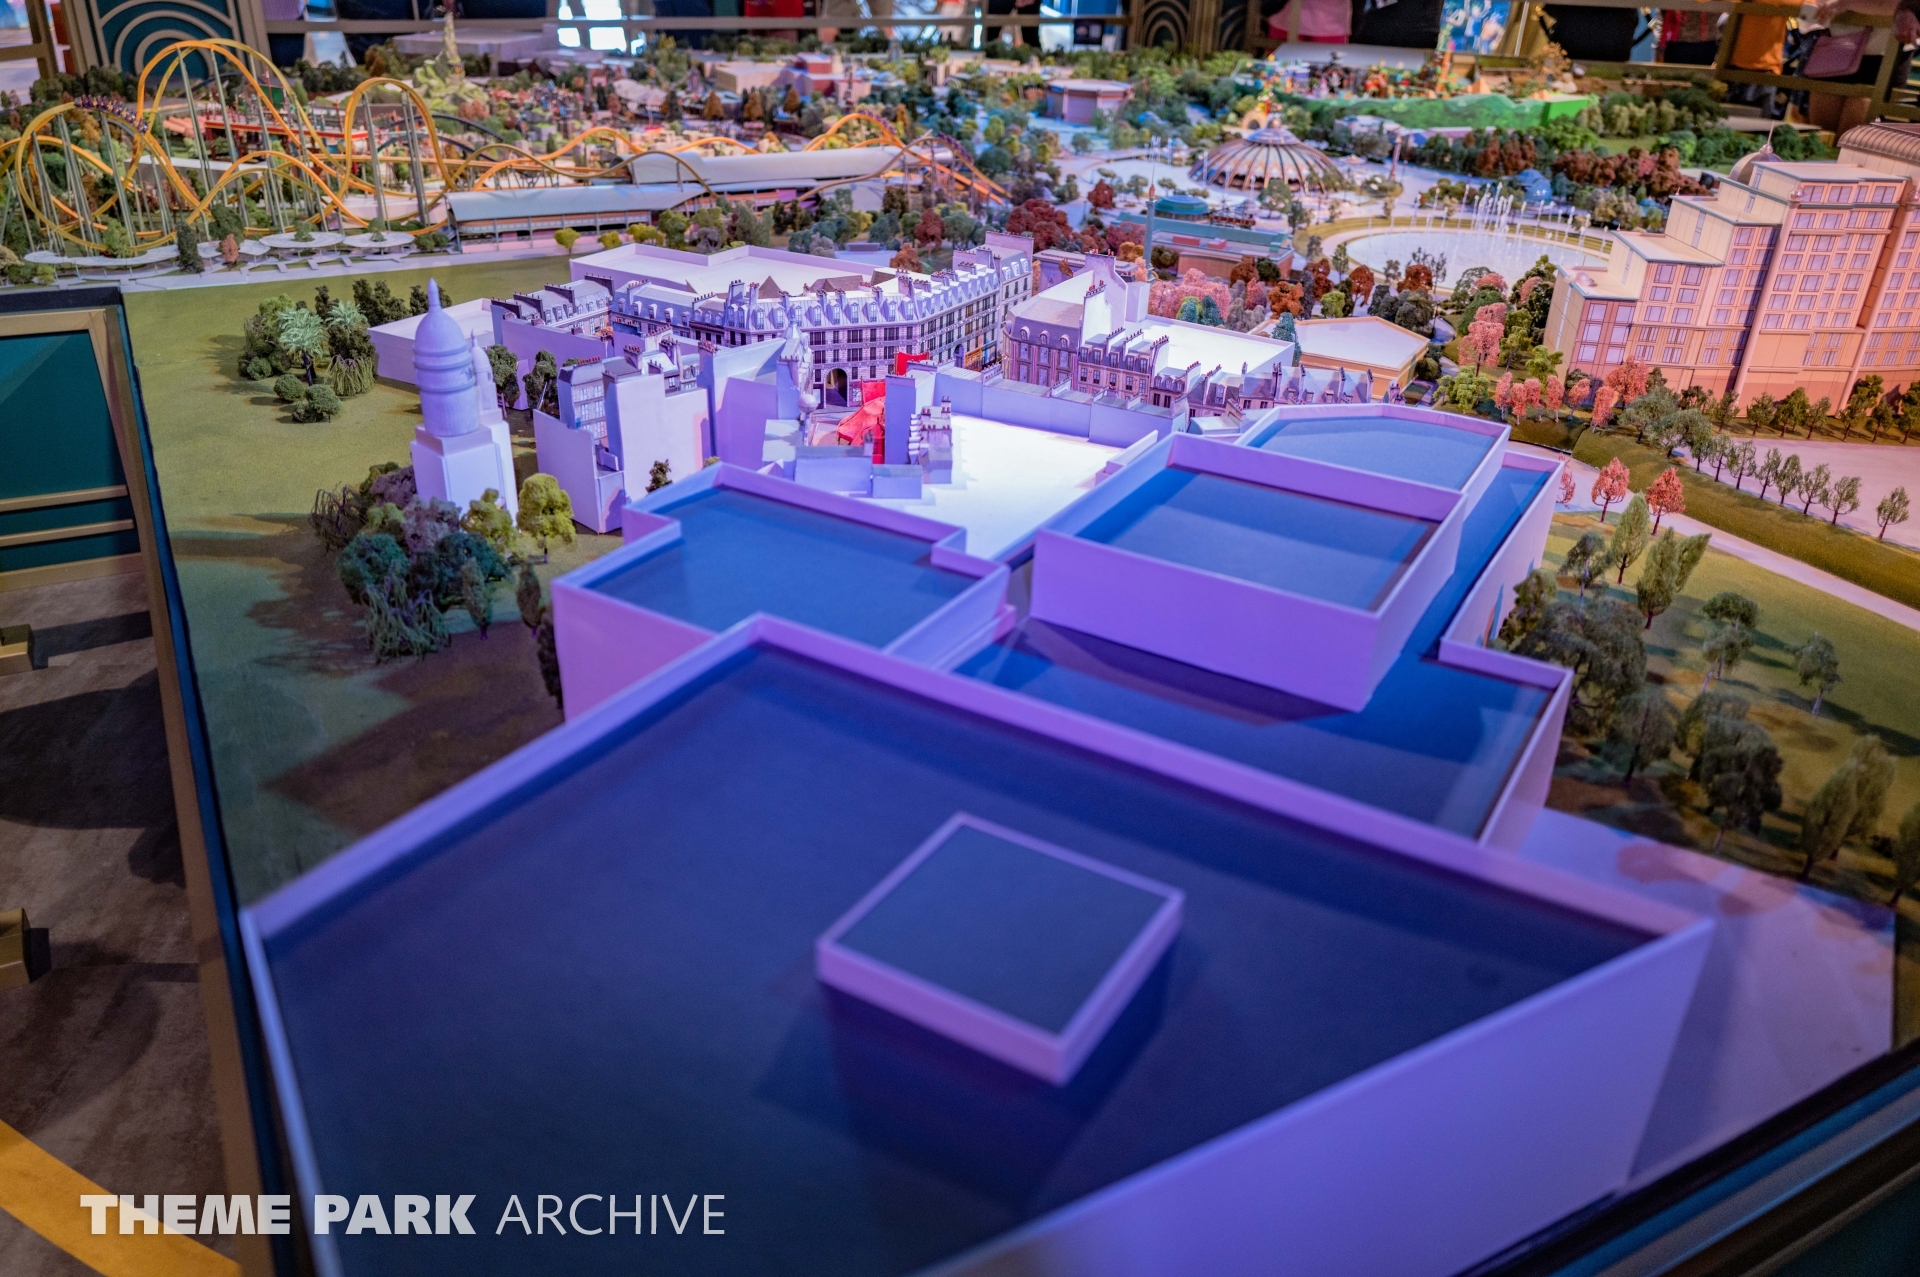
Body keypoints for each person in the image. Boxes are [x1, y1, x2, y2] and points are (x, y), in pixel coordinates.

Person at [1803, 0, 1919, 135]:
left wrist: (1846, 4)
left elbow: (1904, 5)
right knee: (1821, 136)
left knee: (1851, 140)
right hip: (1835, 47)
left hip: (1881, 56)